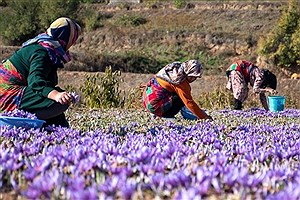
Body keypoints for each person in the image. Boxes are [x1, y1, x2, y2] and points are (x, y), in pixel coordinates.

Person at [0, 17, 81, 127]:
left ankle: (57, 128)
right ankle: (23, 121)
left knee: (57, 97)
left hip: (12, 91)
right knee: (59, 102)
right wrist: (56, 95)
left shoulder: (46, 47)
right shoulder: (41, 52)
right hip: (7, 95)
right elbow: (36, 81)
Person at [142, 60, 212, 120]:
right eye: (193, 77)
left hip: (147, 99)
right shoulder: (181, 82)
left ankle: (156, 113)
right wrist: (203, 117)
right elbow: (189, 103)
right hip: (154, 105)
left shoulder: (174, 68)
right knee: (181, 98)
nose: (194, 79)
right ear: (188, 73)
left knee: (177, 95)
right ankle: (166, 116)